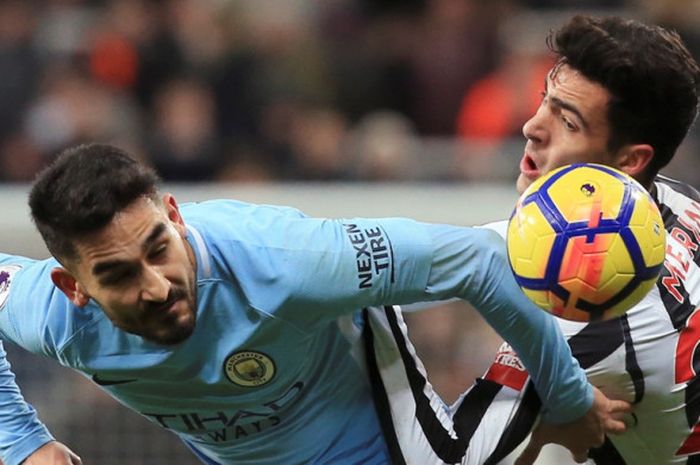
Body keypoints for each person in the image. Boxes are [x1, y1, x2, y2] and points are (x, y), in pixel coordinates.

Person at [0, 144, 628, 465]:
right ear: (73, 287)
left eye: (160, 248)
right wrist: (23, 442)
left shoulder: (287, 264)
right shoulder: (55, 317)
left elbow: (479, 261)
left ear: (174, 217)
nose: (158, 286)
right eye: (117, 274)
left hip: (378, 423)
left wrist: (570, 400)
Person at [370, 14, 700, 465]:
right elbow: (475, 255)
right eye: (545, 100)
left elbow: (444, 458)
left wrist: (363, 317)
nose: (531, 126)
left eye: (567, 122)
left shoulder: (586, 322)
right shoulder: (673, 201)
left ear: (630, 160)